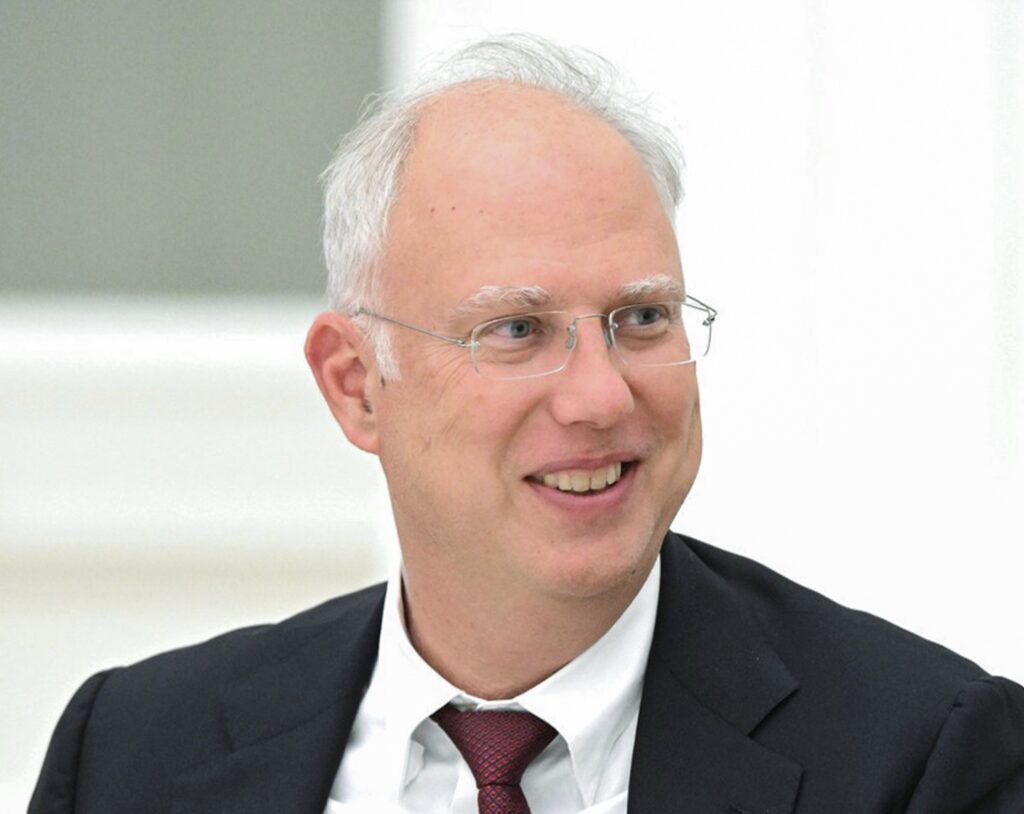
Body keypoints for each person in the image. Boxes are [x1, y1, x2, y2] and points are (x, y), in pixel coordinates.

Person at [29, 35, 1024, 814]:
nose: (600, 397)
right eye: (515, 330)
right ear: (356, 385)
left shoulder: (922, 762)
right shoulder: (133, 752)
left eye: (641, 318)